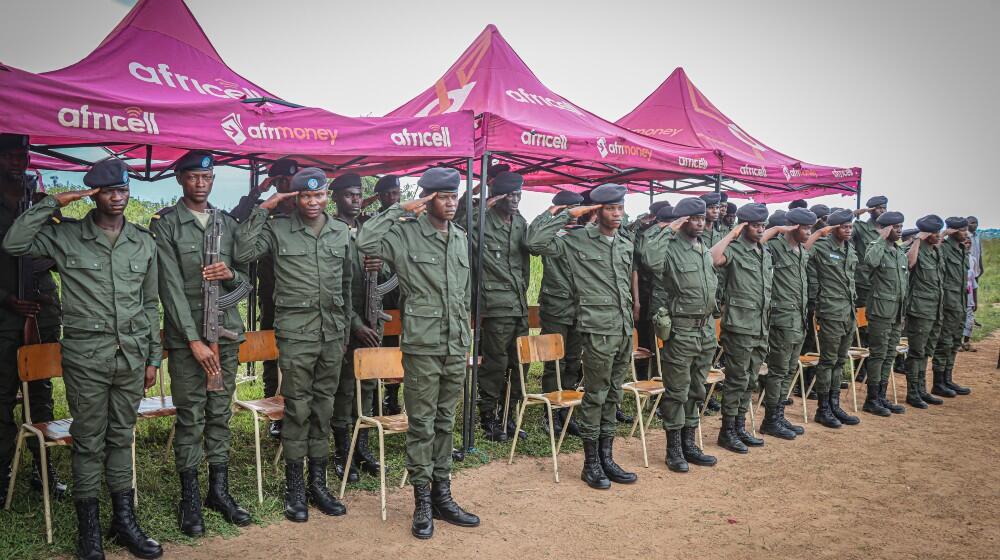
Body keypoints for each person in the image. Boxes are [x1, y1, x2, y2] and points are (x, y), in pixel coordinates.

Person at [3, 158, 163, 560]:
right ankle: (89, 529)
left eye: (123, 190)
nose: (118, 198)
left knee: (121, 437)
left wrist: (153, 359)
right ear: (94, 194)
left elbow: (149, 305)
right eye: (109, 191)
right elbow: (13, 243)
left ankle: (123, 521)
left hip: (130, 358)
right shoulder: (67, 237)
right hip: (86, 360)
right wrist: (53, 203)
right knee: (89, 442)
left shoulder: (143, 242)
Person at [356, 167, 480, 539]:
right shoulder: (405, 235)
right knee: (422, 424)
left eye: (453, 196)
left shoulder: (459, 238)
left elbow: (463, 293)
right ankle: (422, 501)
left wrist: (466, 335)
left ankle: (443, 495)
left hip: (455, 343)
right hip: (424, 345)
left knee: (446, 421)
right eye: (442, 197)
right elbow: (365, 242)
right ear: (427, 200)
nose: (451, 202)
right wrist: (399, 210)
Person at [234, 167, 352, 522]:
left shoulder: (340, 232)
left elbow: (347, 286)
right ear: (295, 198)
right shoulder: (278, 229)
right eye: (305, 196)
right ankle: (295, 489)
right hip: (296, 334)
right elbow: (241, 251)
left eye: (318, 195)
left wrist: (344, 331)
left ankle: (318, 484)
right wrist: (266, 206)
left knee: (323, 409)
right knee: (298, 409)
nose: (313, 202)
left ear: (327, 196)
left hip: (331, 335)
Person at [150, 152, 252, 536]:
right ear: (180, 180)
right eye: (193, 177)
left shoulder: (227, 223)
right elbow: (170, 287)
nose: (200, 183)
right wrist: (193, 340)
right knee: (191, 415)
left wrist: (229, 274)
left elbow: (245, 279)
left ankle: (219, 492)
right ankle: (190, 498)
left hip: (225, 335)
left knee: (219, 414)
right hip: (187, 341)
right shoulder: (166, 225)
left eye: (206, 177)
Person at [527, 184, 637, 490]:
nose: (617, 214)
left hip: (623, 328)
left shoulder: (624, 244)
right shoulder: (575, 242)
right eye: (611, 208)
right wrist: (566, 214)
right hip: (597, 330)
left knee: (614, 395)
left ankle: (607, 458)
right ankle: (591, 464)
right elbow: (535, 242)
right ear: (596, 211)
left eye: (620, 208)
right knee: (595, 394)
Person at [0, 134, 67, 501]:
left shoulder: (40, 203)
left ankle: (44, 470)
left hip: (41, 313)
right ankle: (3, 471)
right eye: (8, 155)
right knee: (2, 395)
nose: (16, 161)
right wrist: (6, 298)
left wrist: (46, 264)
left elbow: (63, 252)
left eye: (21, 155)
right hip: (4, 317)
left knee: (41, 395)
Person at [648, 197, 718, 472]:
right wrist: (669, 228)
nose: (700, 223)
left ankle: (689, 444)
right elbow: (650, 260)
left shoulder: (702, 247)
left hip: (705, 329)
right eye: (694, 218)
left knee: (697, 389)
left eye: (702, 218)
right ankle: (673, 449)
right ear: (682, 221)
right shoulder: (670, 247)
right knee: (677, 391)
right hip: (681, 329)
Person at [230, 157, 298, 439]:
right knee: (272, 356)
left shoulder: (303, 215)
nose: (289, 186)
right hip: (272, 298)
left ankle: (295, 408)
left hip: (301, 300)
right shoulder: (264, 217)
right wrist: (259, 193)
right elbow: (235, 223)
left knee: (298, 359)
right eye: (283, 181)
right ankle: (275, 410)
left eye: (291, 181)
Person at [459, 170, 530, 442]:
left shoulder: (520, 222)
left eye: (518, 194)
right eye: (510, 195)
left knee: (518, 363)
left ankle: (508, 416)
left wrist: (522, 291)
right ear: (498, 196)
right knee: (495, 364)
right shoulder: (482, 220)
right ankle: (488, 417)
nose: (515, 200)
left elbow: (524, 264)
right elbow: (461, 226)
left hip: (518, 304)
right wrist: (480, 202)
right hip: (495, 305)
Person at [329, 173, 389, 482]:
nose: (355, 199)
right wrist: (354, 324)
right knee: (343, 388)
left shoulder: (370, 230)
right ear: (336, 197)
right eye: (349, 194)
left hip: (371, 318)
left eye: (358, 194)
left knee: (366, 387)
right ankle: (343, 454)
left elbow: (390, 271)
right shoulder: (330, 231)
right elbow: (332, 286)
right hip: (342, 323)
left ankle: (362, 448)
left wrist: (382, 265)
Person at [710, 203, 772, 453]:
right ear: (744, 226)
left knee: (750, 381)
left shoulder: (764, 252)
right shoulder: (735, 249)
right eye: (755, 225)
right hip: (739, 327)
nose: (760, 230)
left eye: (762, 226)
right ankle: (727, 432)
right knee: (736, 380)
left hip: (760, 326)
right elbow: (712, 259)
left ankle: (739, 427)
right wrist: (732, 233)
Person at [760, 208, 823, 439]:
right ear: (794, 227)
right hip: (782, 319)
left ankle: (779, 415)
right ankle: (769, 420)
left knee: (788, 370)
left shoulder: (799, 251)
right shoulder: (775, 247)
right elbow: (754, 244)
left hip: (799, 318)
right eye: (806, 228)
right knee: (777, 371)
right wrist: (776, 229)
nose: (809, 232)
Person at [536, 190, 586, 436]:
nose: (574, 215)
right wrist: (554, 215)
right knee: (553, 363)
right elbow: (533, 241)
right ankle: (551, 414)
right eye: (570, 209)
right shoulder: (552, 237)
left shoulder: (584, 236)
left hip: (580, 309)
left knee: (572, 363)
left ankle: (567, 412)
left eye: (577, 209)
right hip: (556, 309)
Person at [806, 209, 861, 428]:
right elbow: (801, 251)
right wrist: (819, 233)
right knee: (828, 361)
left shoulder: (850, 249)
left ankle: (834, 404)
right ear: (834, 228)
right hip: (830, 311)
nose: (849, 231)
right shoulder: (821, 247)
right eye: (844, 227)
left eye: (850, 227)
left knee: (840, 361)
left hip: (847, 311)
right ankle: (823, 409)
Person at [859, 211, 908, 416]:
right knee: (878, 355)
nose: (899, 231)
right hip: (880, 311)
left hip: (896, 312)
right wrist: (880, 238)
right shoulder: (876, 247)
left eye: (900, 227)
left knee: (889, 355)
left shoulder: (898, 251)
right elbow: (870, 262)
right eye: (895, 228)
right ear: (887, 228)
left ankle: (881, 396)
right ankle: (871, 400)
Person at [367, 175, 404, 415]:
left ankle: (392, 396)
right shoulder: (374, 221)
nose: (394, 197)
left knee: (396, 348)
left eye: (396, 192)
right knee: (377, 346)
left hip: (401, 294)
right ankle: (374, 398)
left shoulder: (408, 220)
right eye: (389, 193)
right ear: (379, 196)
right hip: (379, 293)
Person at [903, 215, 947, 409]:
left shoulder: (936, 251)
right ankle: (913, 393)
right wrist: (918, 240)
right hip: (919, 310)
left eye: (939, 232)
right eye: (935, 233)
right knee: (916, 352)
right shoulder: (916, 248)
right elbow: (909, 264)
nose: (938, 236)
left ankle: (922, 390)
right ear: (926, 233)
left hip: (935, 309)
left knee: (926, 352)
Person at [931, 217, 972, 397]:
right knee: (945, 342)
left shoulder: (962, 249)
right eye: (962, 230)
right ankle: (938, 382)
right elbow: (933, 253)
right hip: (948, 302)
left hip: (960, 301)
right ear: (953, 231)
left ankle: (948, 378)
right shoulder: (945, 248)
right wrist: (942, 236)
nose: (966, 233)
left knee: (955, 341)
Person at [962, 216, 983, 350]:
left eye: (976, 222)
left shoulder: (972, 259)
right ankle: (957, 342)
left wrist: (975, 300)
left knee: (969, 316)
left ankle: (966, 341)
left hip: (970, 288)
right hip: (958, 292)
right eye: (971, 223)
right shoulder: (958, 257)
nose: (974, 225)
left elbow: (974, 282)